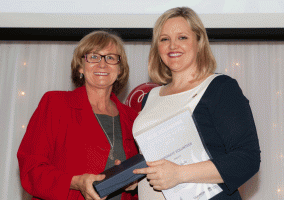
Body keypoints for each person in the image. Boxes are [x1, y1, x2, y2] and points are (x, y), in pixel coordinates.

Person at [132, 7, 261, 200]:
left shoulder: (220, 88)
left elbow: (247, 160)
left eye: (182, 37)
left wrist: (179, 174)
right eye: (164, 39)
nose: (172, 45)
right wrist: (133, 177)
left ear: (199, 42)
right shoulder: (151, 97)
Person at [17, 30, 139, 200]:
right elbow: (31, 170)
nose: (102, 64)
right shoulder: (55, 104)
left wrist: (135, 183)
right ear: (81, 66)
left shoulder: (133, 118)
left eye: (111, 58)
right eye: (93, 57)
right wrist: (75, 182)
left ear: (120, 69)